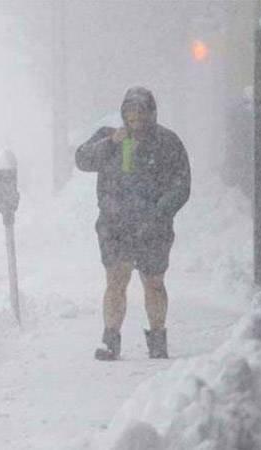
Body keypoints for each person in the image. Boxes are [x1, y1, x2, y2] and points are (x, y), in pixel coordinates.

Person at [75, 86, 190, 361]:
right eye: (129, 110)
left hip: (154, 227)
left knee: (154, 282)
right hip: (115, 224)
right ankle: (110, 339)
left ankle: (158, 338)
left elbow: (182, 184)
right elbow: (82, 159)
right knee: (116, 280)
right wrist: (112, 142)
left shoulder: (167, 142)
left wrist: (160, 211)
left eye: (140, 110)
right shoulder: (109, 137)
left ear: (151, 113)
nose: (135, 116)